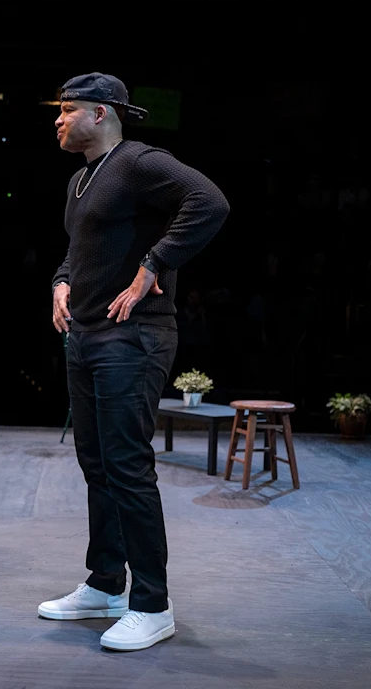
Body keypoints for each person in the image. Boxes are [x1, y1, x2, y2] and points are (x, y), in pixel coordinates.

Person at [41, 72, 230, 651]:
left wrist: (154, 264)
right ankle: (106, 585)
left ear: (102, 113)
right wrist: (62, 281)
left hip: (135, 335)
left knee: (126, 465)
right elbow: (81, 248)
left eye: (68, 109)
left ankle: (153, 604)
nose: (59, 118)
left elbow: (211, 202)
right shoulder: (81, 179)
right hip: (87, 333)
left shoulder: (140, 161)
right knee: (96, 462)